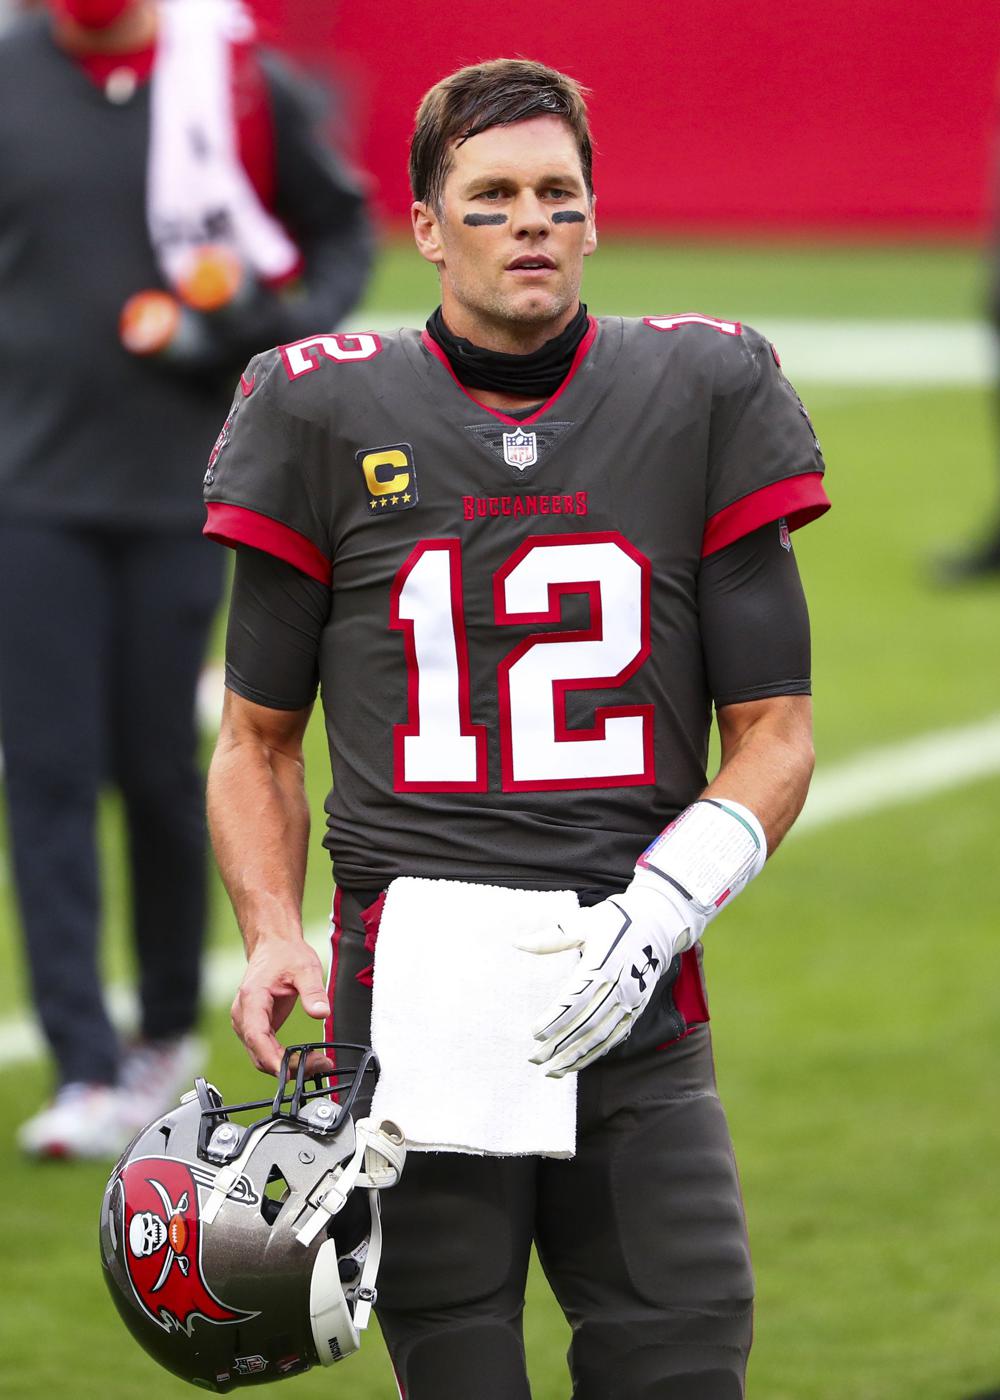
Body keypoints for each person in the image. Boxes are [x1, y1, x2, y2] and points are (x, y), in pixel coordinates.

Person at [204, 59, 830, 1399]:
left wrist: (660, 912)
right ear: (426, 225)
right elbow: (256, 739)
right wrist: (269, 927)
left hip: (634, 981)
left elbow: (777, 730)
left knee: (686, 1360)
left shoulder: (704, 390)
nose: (530, 220)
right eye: (491, 197)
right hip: (412, 1011)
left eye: (558, 193)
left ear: (595, 216)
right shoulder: (316, 407)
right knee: (464, 1376)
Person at [0, 0, 373, 1159]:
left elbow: (341, 228)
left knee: (163, 766)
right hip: (27, 488)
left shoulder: (232, 78)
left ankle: (162, 1028)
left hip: (186, 488)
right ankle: (82, 1059)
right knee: (46, 771)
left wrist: (267, 342)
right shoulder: (8, 73)